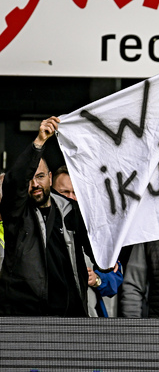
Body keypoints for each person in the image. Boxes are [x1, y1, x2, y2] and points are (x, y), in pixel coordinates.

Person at [0, 117, 92, 316]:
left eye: (40, 177)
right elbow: (14, 183)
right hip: (29, 317)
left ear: (50, 177)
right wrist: (39, 143)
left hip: (71, 315)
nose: (35, 184)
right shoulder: (17, 212)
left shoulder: (70, 209)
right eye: (30, 179)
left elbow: (95, 246)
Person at [52, 165, 123, 317]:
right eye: (64, 192)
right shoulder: (43, 231)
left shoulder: (96, 233)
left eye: (75, 193)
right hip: (52, 320)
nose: (70, 198)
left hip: (90, 324)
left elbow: (116, 280)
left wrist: (96, 279)